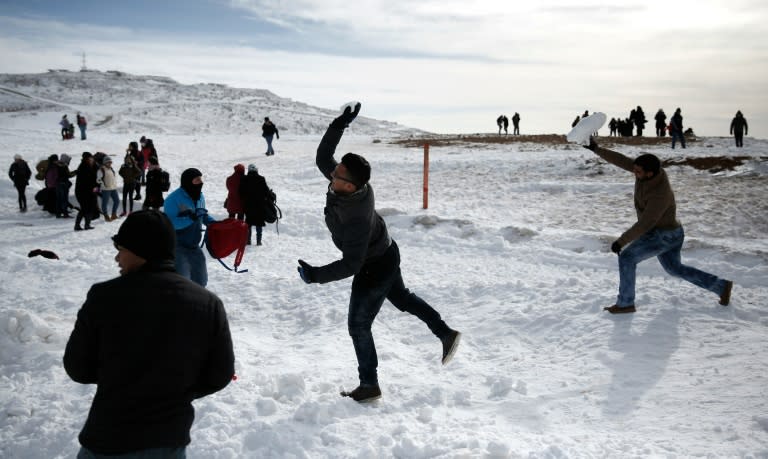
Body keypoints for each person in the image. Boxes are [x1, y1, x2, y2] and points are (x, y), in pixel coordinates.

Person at [296, 102, 461, 402]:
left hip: (374, 265)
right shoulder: (346, 185)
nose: (332, 173)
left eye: (338, 174)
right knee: (402, 298)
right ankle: (445, 333)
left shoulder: (356, 214)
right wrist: (339, 124)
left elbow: (351, 263)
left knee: (358, 324)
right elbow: (322, 157)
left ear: (349, 185)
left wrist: (316, 275)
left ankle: (369, 384)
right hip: (385, 252)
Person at [63, 210, 235, 458]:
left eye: (120, 247)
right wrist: (176, 390)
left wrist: (119, 377)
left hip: (108, 438)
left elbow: (77, 367)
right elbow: (219, 374)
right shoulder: (207, 303)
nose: (116, 256)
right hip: (168, 440)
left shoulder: (104, 297)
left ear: (139, 249)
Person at [584, 137, 733, 314]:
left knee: (626, 258)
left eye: (638, 172)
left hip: (664, 235)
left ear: (650, 173)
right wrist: (596, 149)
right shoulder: (647, 172)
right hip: (671, 231)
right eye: (635, 170)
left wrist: (621, 242)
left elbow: (646, 223)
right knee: (675, 269)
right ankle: (721, 286)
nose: (634, 173)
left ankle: (625, 303)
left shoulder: (659, 194)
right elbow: (622, 161)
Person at [163, 168, 215, 287]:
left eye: (201, 179)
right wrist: (190, 218)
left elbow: (202, 215)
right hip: (178, 247)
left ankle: (197, 303)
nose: (201, 182)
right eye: (197, 180)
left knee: (201, 281)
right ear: (188, 181)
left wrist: (214, 224)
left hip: (194, 246)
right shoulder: (173, 199)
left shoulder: (200, 196)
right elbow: (170, 223)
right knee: (181, 282)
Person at [240, 164, 270, 246]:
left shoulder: (244, 179)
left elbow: (241, 193)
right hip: (259, 205)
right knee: (259, 222)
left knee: (249, 223)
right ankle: (258, 241)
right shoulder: (261, 179)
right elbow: (266, 192)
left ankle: (248, 240)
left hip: (248, 205)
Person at [74, 152, 98, 231]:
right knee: (84, 208)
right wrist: (94, 187)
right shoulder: (83, 167)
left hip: (90, 191)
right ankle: (78, 225)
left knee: (90, 208)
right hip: (83, 192)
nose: (91, 160)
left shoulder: (92, 166)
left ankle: (87, 224)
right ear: (86, 159)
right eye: (90, 158)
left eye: (92, 158)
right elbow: (87, 180)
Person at [97, 156, 120, 221]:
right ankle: (106, 215)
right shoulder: (101, 170)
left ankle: (113, 214)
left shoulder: (111, 169)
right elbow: (98, 180)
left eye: (110, 162)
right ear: (105, 162)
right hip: (106, 189)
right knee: (105, 203)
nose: (110, 163)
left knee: (117, 201)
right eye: (108, 162)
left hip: (113, 188)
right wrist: (104, 185)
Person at [54, 154, 74, 218]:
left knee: (58, 199)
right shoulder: (64, 166)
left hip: (57, 184)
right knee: (64, 199)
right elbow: (68, 175)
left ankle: (58, 213)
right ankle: (65, 213)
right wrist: (76, 172)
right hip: (64, 184)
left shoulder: (56, 165)